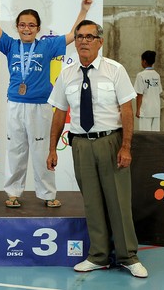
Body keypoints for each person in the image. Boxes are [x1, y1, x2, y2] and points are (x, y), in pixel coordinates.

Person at [0, 0, 92, 208]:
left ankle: (47, 194)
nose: (26, 28)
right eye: (22, 25)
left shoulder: (47, 45)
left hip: (41, 106)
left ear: (38, 28)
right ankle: (13, 193)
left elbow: (72, 35)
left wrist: (83, 11)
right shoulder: (9, 44)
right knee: (16, 150)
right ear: (17, 27)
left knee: (42, 151)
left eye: (31, 25)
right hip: (16, 105)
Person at [47, 20, 148, 278]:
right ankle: (98, 255)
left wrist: (126, 146)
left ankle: (128, 256)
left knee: (118, 201)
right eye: (80, 36)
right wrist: (52, 149)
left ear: (100, 42)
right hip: (80, 144)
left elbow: (127, 110)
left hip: (110, 142)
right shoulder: (66, 74)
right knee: (91, 203)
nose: (83, 41)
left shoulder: (114, 70)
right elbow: (59, 112)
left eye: (90, 37)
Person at [134, 50, 163, 131]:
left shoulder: (140, 75)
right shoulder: (157, 75)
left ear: (144, 61)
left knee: (145, 137)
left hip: (145, 111)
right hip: (156, 110)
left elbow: (139, 94)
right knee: (155, 137)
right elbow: (159, 91)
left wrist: (138, 110)